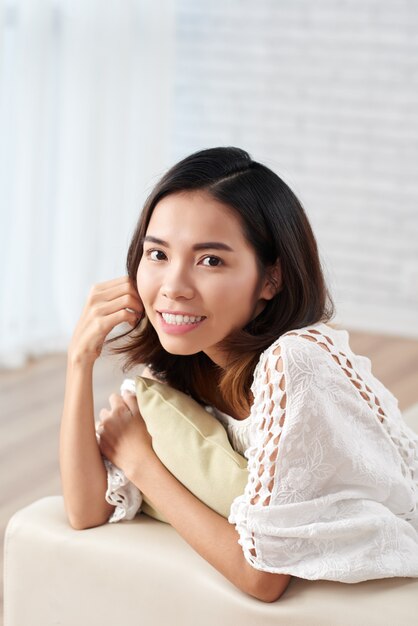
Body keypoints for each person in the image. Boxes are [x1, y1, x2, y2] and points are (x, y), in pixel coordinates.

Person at [60, 146, 418, 603]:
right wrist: (79, 361)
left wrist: (142, 463)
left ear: (271, 279)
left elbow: (262, 578)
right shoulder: (180, 367)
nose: (173, 286)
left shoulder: (295, 361)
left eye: (210, 260)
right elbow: (85, 509)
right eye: (158, 254)